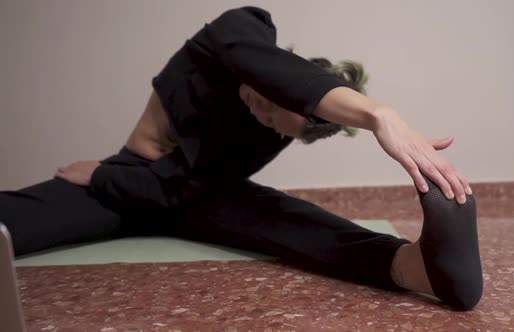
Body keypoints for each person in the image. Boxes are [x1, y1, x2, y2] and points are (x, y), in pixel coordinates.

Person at [0, 6, 482, 310]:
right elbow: (269, 69)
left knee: (279, 216)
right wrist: (380, 116)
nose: (263, 115)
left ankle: (413, 267)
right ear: (286, 74)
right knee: (22, 219)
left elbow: (181, 192)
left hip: (177, 192)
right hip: (131, 178)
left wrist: (103, 175)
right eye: (273, 102)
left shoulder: (265, 135)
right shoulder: (240, 32)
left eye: (276, 123)